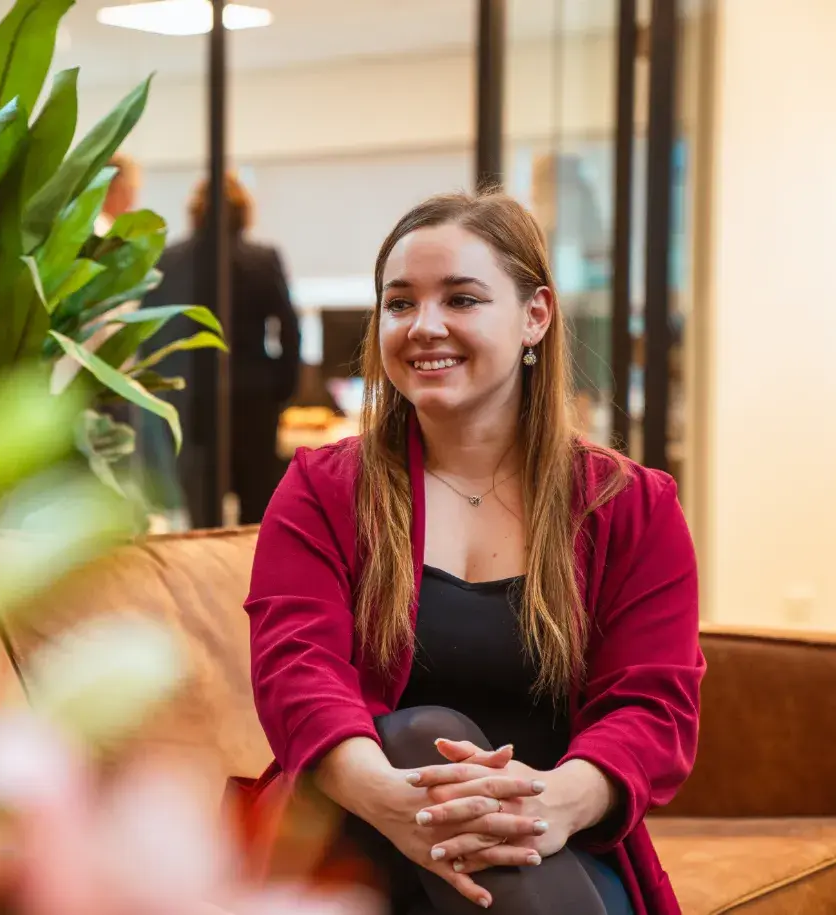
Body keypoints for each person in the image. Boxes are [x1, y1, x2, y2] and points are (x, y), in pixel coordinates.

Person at [243, 190, 703, 914]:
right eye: (399, 304)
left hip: (553, 839)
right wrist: (396, 802)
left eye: (460, 298)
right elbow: (297, 676)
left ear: (535, 316)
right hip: (355, 829)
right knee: (420, 731)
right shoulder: (321, 491)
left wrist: (554, 801)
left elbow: (653, 705)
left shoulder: (632, 507)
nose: (424, 326)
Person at [140, 171, 301, 526]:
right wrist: (282, 387)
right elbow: (290, 330)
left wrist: (163, 392)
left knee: (201, 522)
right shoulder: (262, 258)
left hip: (191, 402)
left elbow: (148, 333)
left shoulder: (167, 261)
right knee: (256, 521)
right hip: (254, 401)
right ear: (244, 212)